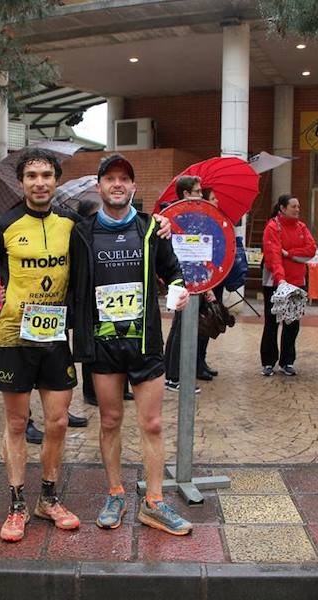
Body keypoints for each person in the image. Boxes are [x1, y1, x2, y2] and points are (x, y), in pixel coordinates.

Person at [69, 154, 193, 536]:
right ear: (100, 187)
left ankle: (154, 502)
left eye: (124, 179)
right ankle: (116, 493)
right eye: (110, 179)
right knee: (109, 420)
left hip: (144, 342)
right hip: (103, 343)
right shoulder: (81, 232)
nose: (117, 184)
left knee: (152, 423)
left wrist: (178, 291)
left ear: (134, 188)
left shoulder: (152, 228)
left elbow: (174, 273)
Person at [0, 147, 81, 542]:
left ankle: (47, 500)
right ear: (22, 183)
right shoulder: (4, 224)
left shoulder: (72, 223)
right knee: (17, 423)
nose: (39, 182)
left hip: (55, 336)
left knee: (58, 422)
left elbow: (109, 234)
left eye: (46, 175)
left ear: (56, 180)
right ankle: (17, 505)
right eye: (32, 176)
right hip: (14, 334)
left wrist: (164, 226)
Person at [163, 176, 216, 391]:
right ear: (186, 194)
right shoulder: (175, 218)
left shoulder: (194, 217)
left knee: (180, 326)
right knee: (181, 327)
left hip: (191, 280)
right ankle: (175, 376)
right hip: (182, 280)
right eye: (197, 191)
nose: (201, 195)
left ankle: (172, 374)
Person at [260, 194, 317, 377]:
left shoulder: (302, 227)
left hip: (297, 283)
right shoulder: (272, 227)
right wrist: (281, 279)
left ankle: (288, 361)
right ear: (282, 208)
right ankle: (268, 362)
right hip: (275, 283)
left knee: (292, 323)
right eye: (294, 206)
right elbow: (273, 256)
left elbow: (311, 250)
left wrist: (290, 253)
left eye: (298, 206)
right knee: (272, 323)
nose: (297, 209)